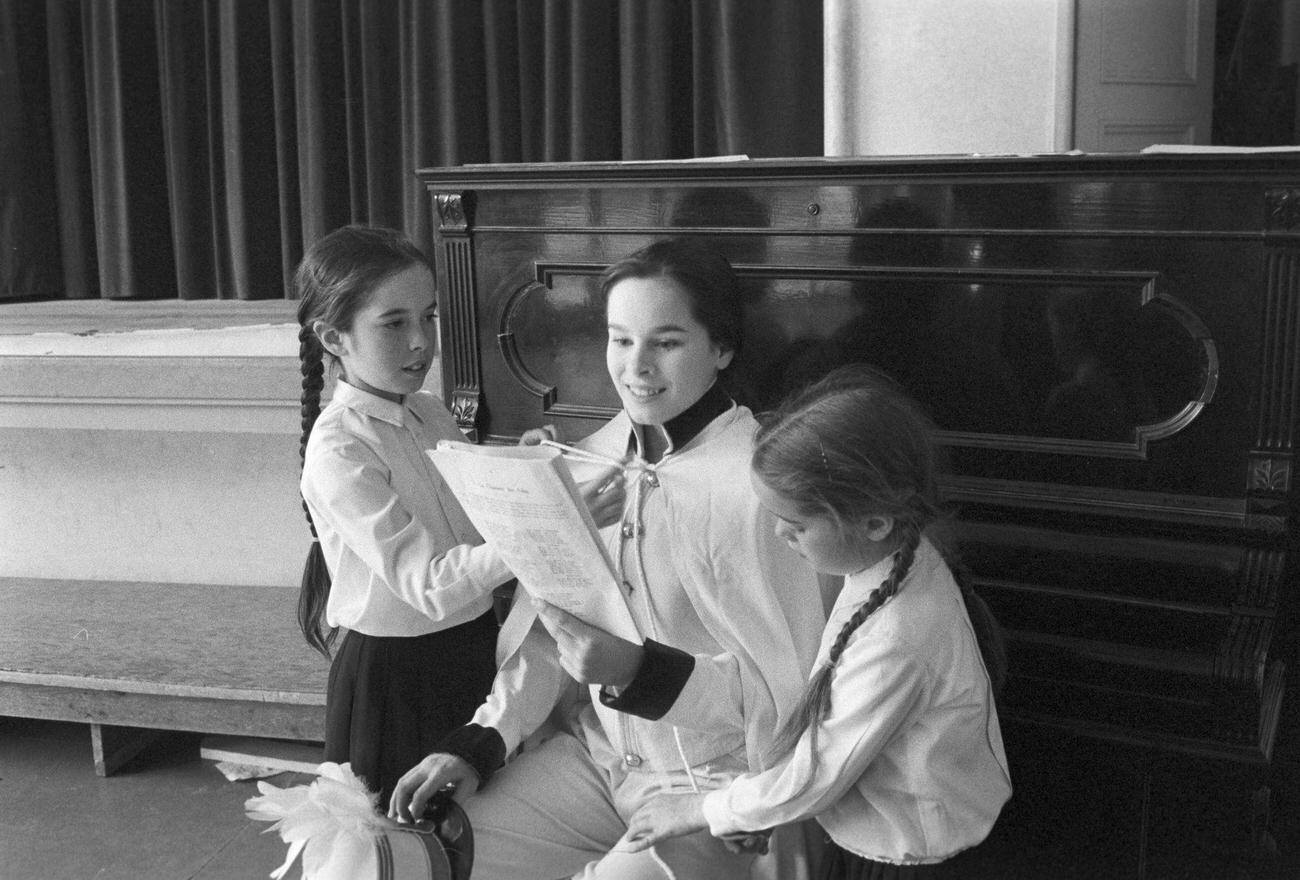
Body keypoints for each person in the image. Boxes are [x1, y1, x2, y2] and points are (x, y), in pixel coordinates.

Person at [387, 238, 828, 880]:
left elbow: (790, 701)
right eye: (621, 340)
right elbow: (555, 630)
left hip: (713, 788)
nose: (637, 366)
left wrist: (640, 672)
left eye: (666, 342)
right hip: (600, 761)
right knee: (411, 857)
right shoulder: (593, 456)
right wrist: (481, 744)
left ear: (723, 348)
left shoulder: (763, 489)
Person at [623, 363, 1013, 878]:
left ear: (874, 523)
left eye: (797, 524)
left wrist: (700, 809)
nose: (781, 536)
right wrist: (757, 810)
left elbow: (821, 770)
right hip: (883, 826)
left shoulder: (898, 636)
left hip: (906, 854)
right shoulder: (897, 558)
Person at [294, 224, 622, 805]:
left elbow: (470, 522)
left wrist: (525, 474)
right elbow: (431, 586)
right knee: (408, 844)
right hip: (397, 677)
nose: (422, 342)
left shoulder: (427, 411)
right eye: (394, 324)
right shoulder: (339, 450)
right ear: (334, 336)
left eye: (430, 317)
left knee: (480, 832)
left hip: (471, 650)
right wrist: (552, 522)